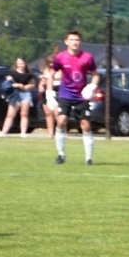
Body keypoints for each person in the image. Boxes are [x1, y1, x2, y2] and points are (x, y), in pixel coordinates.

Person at [50, 30, 100, 165]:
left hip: (81, 97)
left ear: (80, 42)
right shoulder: (60, 57)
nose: (74, 42)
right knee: (61, 121)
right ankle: (61, 155)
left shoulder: (87, 57)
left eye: (77, 40)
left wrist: (91, 87)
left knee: (85, 125)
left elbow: (96, 75)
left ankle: (88, 158)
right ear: (66, 42)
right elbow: (51, 73)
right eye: (71, 40)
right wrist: (49, 93)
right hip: (65, 95)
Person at [0, 57, 37, 136]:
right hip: (15, 94)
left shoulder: (29, 74)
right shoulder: (12, 73)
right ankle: (3, 132)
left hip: (25, 94)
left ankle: (23, 132)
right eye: (19, 63)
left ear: (25, 64)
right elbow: (7, 84)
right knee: (10, 114)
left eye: (22, 63)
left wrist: (28, 86)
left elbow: (33, 84)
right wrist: (16, 85)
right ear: (16, 64)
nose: (20, 65)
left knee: (24, 114)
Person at [39, 57, 59, 137]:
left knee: (57, 113)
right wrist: (41, 85)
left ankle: (61, 132)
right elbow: (41, 83)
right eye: (49, 62)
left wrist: (49, 77)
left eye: (53, 62)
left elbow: (60, 78)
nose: (51, 64)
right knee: (48, 113)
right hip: (46, 93)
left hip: (57, 92)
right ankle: (50, 133)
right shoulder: (46, 70)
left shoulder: (60, 70)